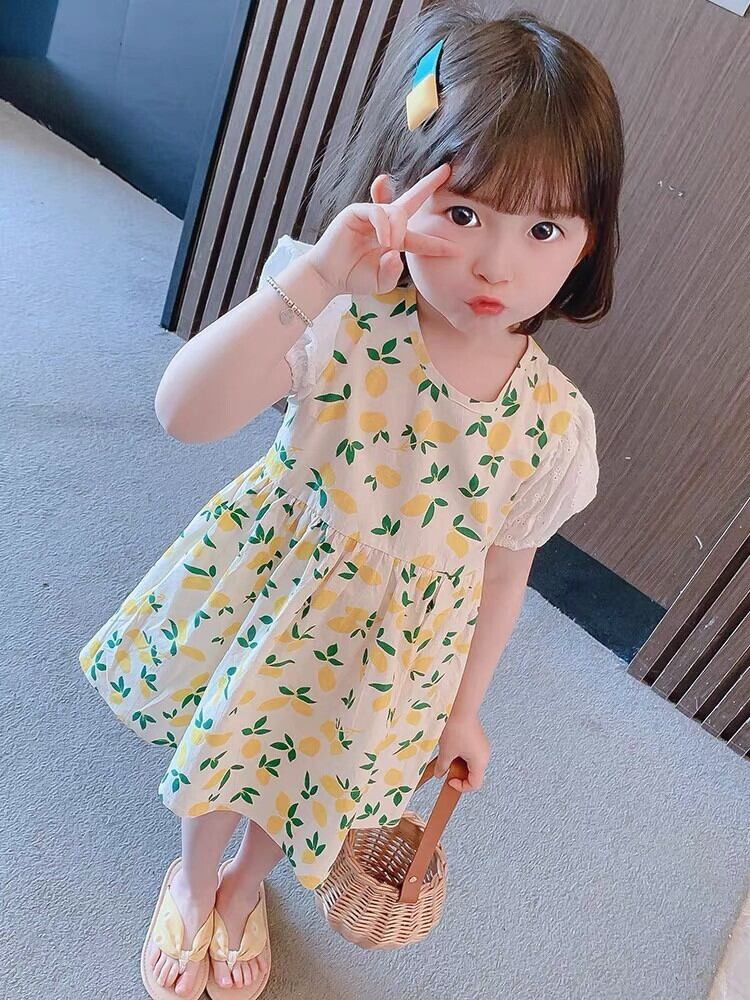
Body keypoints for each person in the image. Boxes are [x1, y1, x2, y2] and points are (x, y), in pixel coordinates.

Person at [78, 4, 623, 997]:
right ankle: (193, 881)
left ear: (587, 243)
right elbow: (183, 413)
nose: (497, 265)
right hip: (281, 595)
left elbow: (505, 571)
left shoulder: (554, 423)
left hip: (397, 657)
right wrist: (322, 275)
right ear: (395, 192)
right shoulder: (341, 314)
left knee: (310, 786)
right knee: (230, 754)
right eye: (463, 213)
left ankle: (245, 886)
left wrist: (465, 711)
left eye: (543, 227)